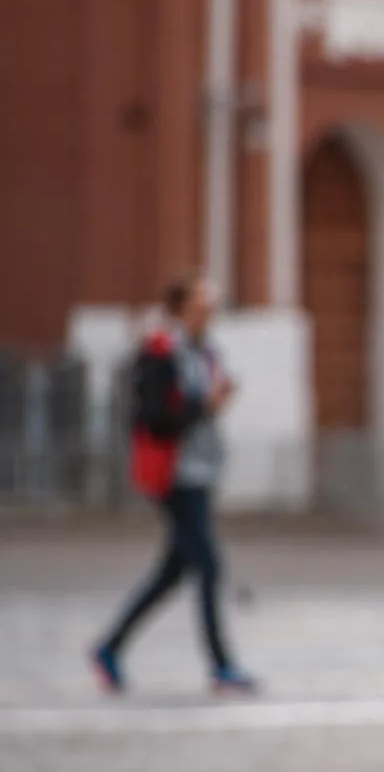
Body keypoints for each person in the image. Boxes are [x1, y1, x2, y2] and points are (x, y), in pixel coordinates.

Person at [92, 278, 255, 695]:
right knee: (209, 566)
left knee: (174, 571)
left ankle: (110, 647)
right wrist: (205, 407)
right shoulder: (161, 353)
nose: (208, 314)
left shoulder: (206, 352)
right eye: (200, 306)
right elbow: (155, 418)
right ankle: (221, 666)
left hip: (201, 471)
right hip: (174, 475)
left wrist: (213, 403)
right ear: (179, 309)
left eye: (211, 306)